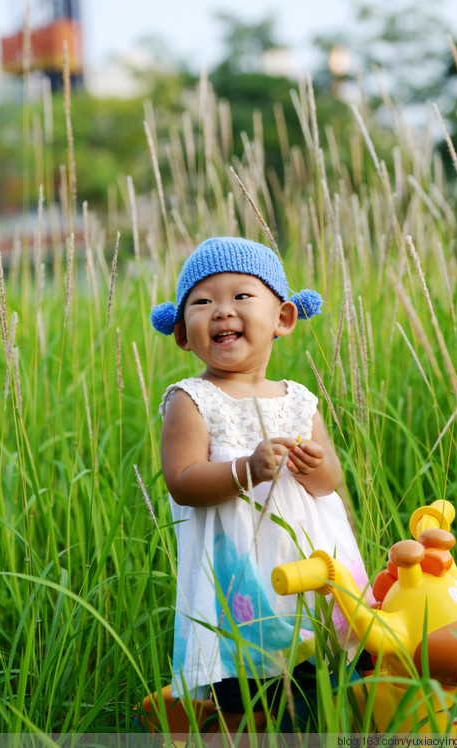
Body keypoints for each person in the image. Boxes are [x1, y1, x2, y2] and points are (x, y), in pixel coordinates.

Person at [150, 236, 370, 729]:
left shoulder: (298, 399)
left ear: (283, 319)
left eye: (241, 297)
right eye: (203, 302)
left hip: (314, 574)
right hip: (238, 577)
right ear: (184, 334)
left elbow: (329, 483)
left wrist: (316, 467)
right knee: (245, 694)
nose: (222, 311)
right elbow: (182, 481)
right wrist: (245, 470)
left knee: (327, 678)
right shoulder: (192, 399)